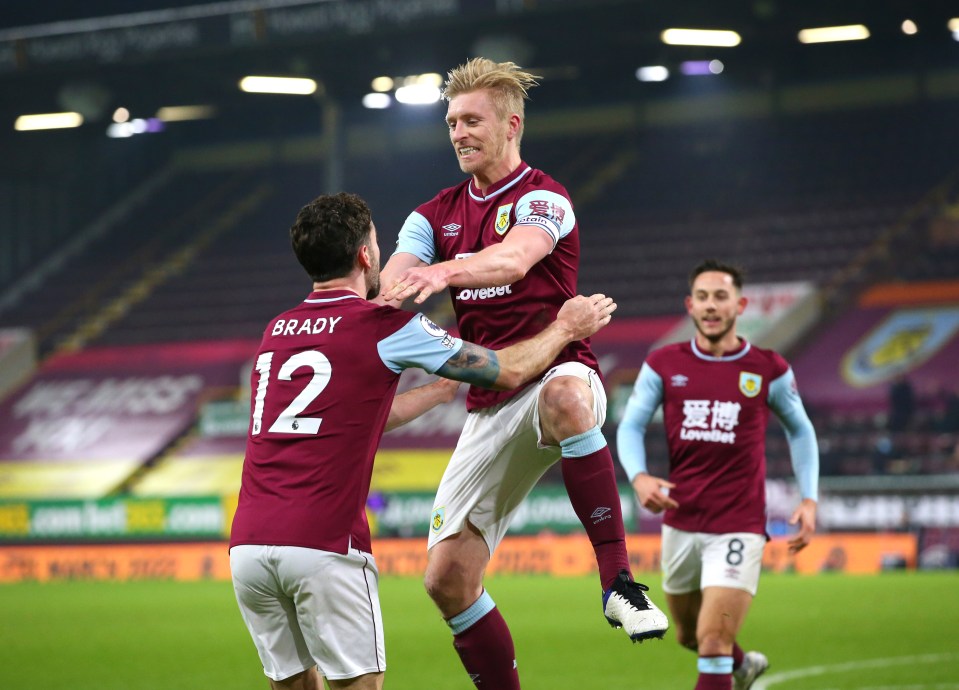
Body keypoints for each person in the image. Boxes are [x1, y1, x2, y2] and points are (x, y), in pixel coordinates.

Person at [229, 192, 617, 690]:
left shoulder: (277, 331)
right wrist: (566, 328)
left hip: (249, 548)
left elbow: (349, 417)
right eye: (376, 242)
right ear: (366, 256)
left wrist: (438, 392)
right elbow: (509, 371)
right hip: (323, 544)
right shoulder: (383, 326)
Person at [379, 57, 667, 689]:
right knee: (446, 581)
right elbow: (394, 277)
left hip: (553, 369)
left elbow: (515, 259)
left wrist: (444, 273)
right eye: (451, 122)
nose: (458, 133)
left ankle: (618, 583)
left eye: (472, 120)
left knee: (568, 397)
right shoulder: (433, 215)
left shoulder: (544, 197)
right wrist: (404, 280)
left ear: (511, 124)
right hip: (487, 401)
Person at [616, 259, 820, 690]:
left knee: (712, 641)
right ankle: (743, 667)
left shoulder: (768, 368)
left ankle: (728, 662)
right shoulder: (664, 364)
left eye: (721, 297)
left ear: (740, 304)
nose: (712, 306)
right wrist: (639, 477)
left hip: (739, 525)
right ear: (690, 305)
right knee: (691, 635)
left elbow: (800, 429)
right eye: (703, 297)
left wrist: (809, 498)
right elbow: (631, 425)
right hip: (681, 521)